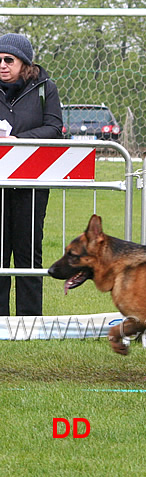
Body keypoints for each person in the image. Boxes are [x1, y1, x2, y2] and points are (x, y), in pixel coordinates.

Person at [0, 33, 62, 316]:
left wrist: (15, 140)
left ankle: (29, 322)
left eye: (8, 60)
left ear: (24, 63)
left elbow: (54, 128)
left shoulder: (45, 88)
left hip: (32, 185)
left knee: (27, 253)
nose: (2, 65)